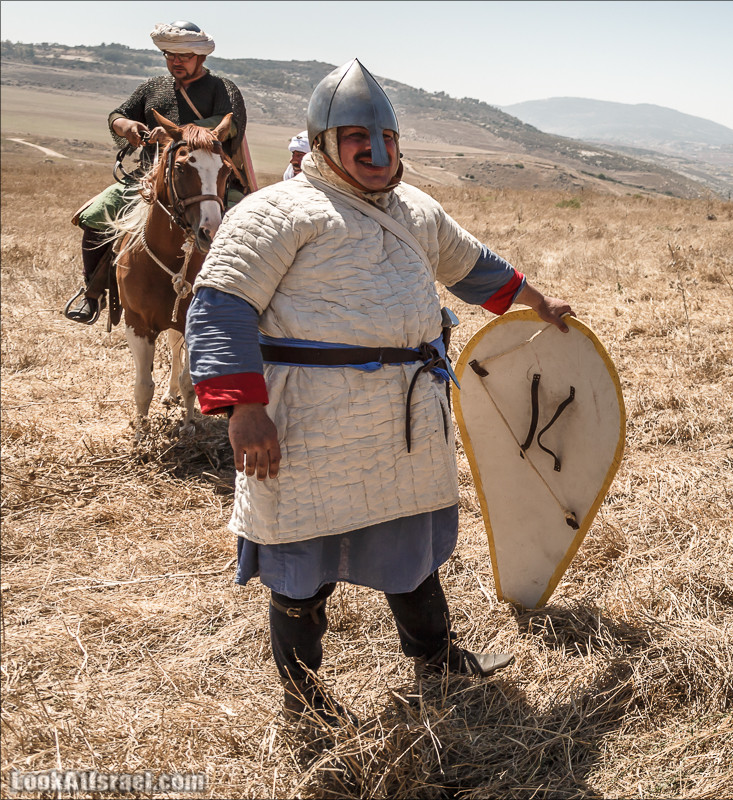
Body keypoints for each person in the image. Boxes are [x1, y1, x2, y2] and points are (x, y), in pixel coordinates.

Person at [186, 59, 574, 729]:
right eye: (358, 139)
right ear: (325, 143)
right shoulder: (274, 212)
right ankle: (304, 700)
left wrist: (535, 301)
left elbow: (470, 266)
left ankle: (438, 658)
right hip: (306, 423)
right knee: (301, 565)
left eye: (388, 140)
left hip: (401, 420)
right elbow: (219, 307)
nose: (376, 152)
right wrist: (244, 409)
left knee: (409, 550)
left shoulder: (415, 209)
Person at [64, 21, 248, 325]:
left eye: (184, 56)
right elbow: (118, 113)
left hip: (209, 179)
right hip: (152, 177)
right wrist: (125, 126)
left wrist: (178, 132)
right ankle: (92, 292)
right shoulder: (153, 87)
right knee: (95, 215)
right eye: (169, 56)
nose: (175, 62)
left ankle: (241, 300)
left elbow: (230, 123)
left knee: (246, 227)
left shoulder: (222, 88)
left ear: (200, 58)